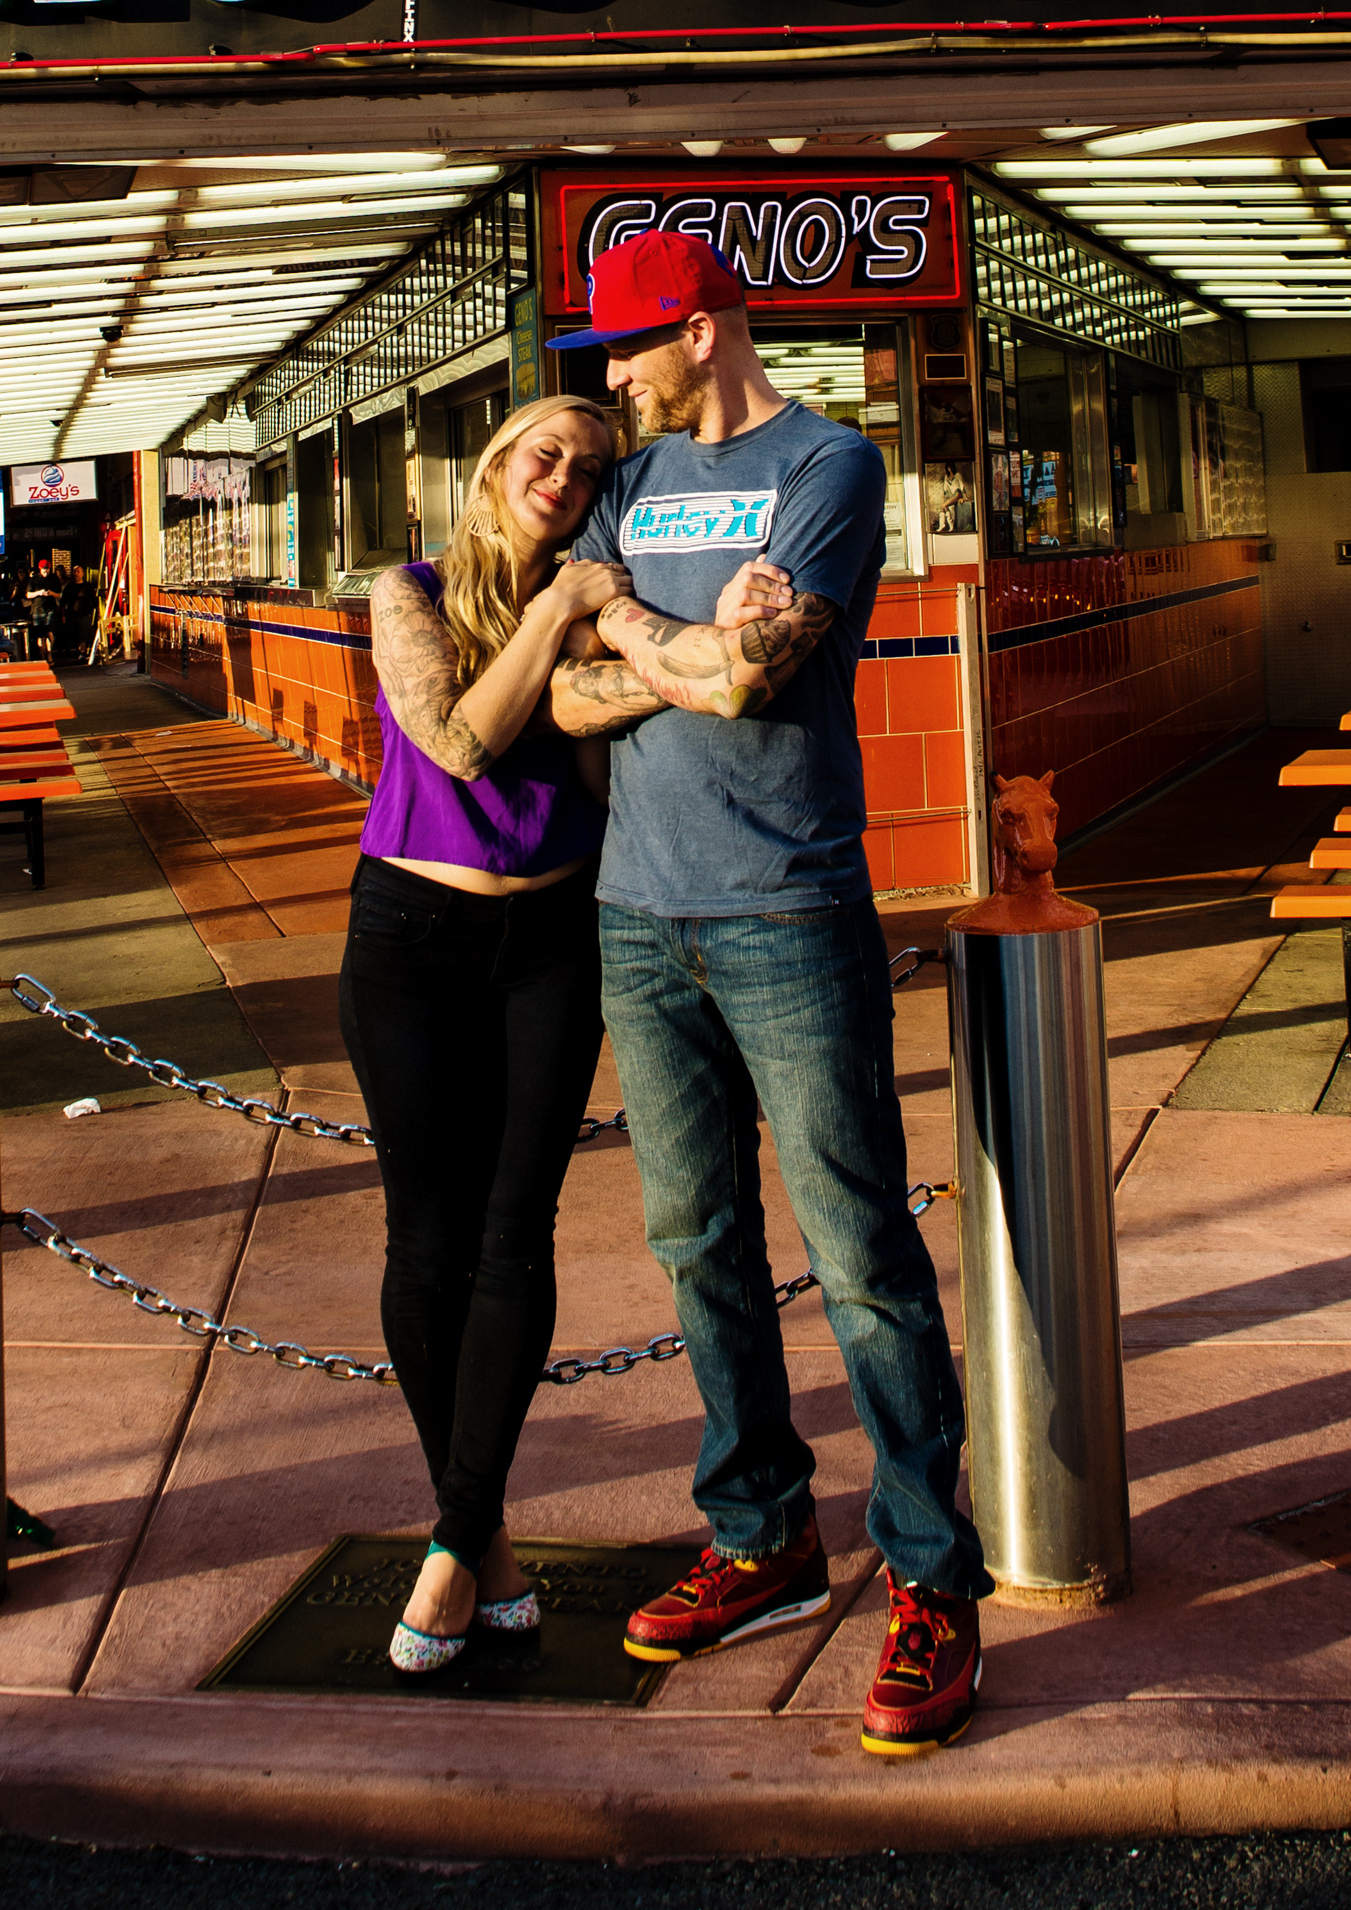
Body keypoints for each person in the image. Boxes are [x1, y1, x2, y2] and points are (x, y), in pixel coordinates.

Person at [545, 229, 989, 1764]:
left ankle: (931, 1575)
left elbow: (753, 676)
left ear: (706, 326)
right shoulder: (624, 482)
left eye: (626, 351)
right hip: (634, 914)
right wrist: (671, 643)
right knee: (694, 1238)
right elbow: (562, 686)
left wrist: (636, 634)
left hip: (787, 907)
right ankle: (761, 1533)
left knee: (858, 1244)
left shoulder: (831, 468)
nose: (608, 382)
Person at [341, 392, 633, 1678]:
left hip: (553, 943)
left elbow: (593, 761)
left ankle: (458, 1540)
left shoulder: (587, 600)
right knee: (431, 1235)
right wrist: (557, 611)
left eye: (587, 468)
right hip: (412, 938)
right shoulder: (404, 593)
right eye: (545, 453)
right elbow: (455, 740)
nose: (564, 477)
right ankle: (480, 1536)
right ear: (497, 465)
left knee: (518, 1232)